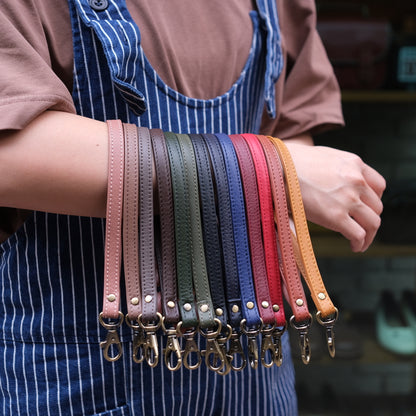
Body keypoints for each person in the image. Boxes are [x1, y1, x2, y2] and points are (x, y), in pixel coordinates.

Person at [0, 0, 385, 415]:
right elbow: (12, 158)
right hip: (84, 377)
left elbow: (290, 124)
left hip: (256, 371)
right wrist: (276, 169)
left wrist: (278, 196)